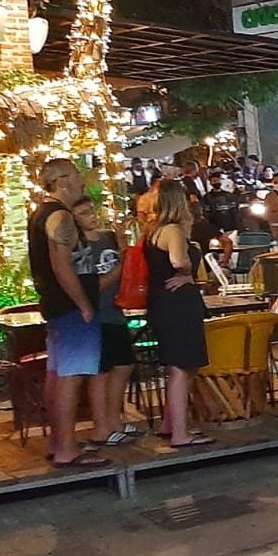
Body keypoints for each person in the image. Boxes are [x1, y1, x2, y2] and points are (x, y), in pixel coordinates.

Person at [31, 162, 110, 467]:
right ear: (62, 181)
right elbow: (61, 264)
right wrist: (84, 303)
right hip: (70, 307)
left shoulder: (42, 213)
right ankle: (66, 448)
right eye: (77, 175)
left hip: (57, 305)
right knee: (71, 376)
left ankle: (60, 442)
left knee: (58, 372)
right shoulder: (59, 216)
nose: (82, 181)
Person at [137, 180, 215, 450]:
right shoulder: (172, 230)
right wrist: (187, 275)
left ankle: (171, 422)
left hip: (160, 301)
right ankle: (180, 432)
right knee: (182, 367)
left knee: (180, 365)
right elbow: (179, 261)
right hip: (177, 303)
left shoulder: (152, 230)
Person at [74, 197, 137, 447]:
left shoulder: (107, 237)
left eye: (92, 210)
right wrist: (119, 270)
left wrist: (123, 242)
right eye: (83, 213)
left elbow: (128, 261)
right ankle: (102, 426)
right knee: (101, 371)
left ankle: (115, 420)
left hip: (117, 308)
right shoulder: (78, 247)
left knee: (124, 364)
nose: (91, 215)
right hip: (98, 312)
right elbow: (92, 287)